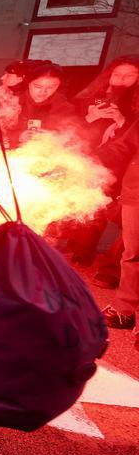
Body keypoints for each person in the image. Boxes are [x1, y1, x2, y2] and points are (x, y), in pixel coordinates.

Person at [96, 121, 139, 344]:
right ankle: (125, 310)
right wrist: (86, 160)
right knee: (132, 255)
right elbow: (123, 147)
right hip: (136, 192)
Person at [74, 55, 139, 148]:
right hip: (81, 150)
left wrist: (121, 121)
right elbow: (67, 127)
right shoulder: (90, 97)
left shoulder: (135, 104)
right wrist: (90, 117)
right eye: (116, 74)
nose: (121, 78)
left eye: (129, 75)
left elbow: (133, 143)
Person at [10, 62, 79, 146]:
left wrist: (52, 137)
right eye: (37, 86)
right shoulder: (13, 101)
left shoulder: (64, 107)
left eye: (51, 87)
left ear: (58, 86)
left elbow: (72, 136)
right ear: (29, 83)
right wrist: (18, 137)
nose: (43, 92)